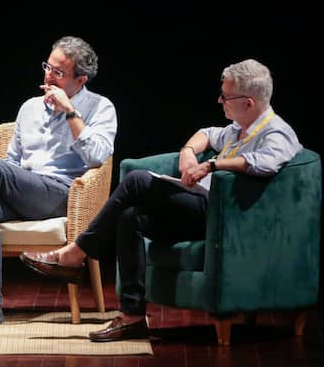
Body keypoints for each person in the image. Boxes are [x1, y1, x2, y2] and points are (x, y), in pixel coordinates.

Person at [21, 58, 302, 342]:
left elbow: (263, 163)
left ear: (249, 102)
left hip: (229, 218)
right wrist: (189, 152)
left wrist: (212, 166)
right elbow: (207, 134)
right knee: (131, 216)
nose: (220, 101)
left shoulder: (277, 133)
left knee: (137, 181)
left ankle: (78, 252)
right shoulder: (239, 128)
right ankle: (132, 317)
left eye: (226, 96)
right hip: (203, 209)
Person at [0, 36, 117, 327]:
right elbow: (13, 163)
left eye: (58, 72)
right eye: (47, 67)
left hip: (65, 194)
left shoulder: (100, 107)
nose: (48, 76)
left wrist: (70, 111)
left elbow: (96, 158)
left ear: (80, 79)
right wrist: (6, 182)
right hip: (27, 190)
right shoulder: (29, 108)